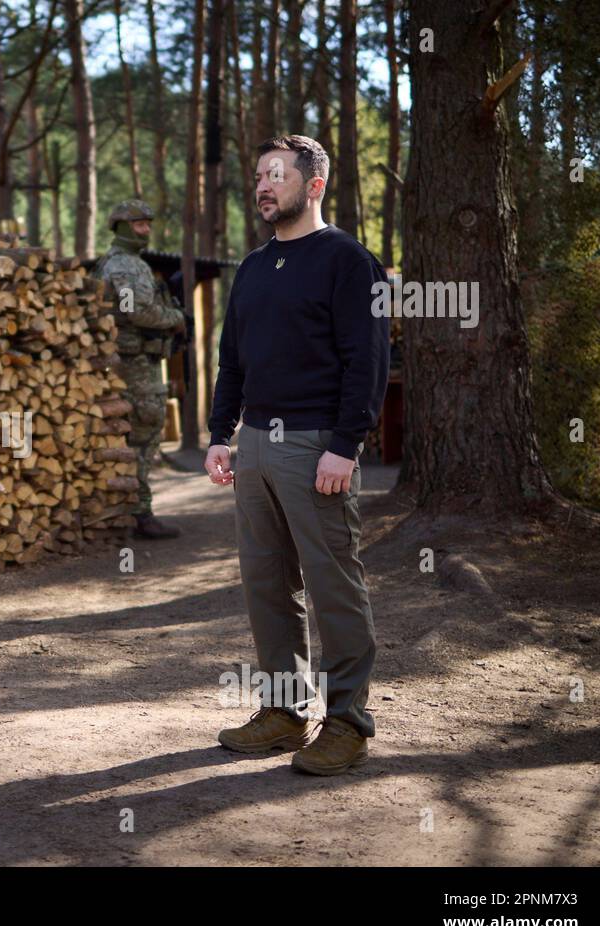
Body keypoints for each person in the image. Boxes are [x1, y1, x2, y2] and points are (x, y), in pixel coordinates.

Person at [205, 135, 390, 775]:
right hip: (254, 445)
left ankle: (347, 724)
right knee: (266, 585)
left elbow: (367, 361)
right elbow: (233, 361)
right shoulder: (254, 269)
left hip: (316, 447)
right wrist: (217, 434)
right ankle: (284, 712)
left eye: (275, 174)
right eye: (257, 174)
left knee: (333, 585)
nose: (262, 185)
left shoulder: (347, 261)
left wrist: (346, 445)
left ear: (312, 185)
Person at [93, 199, 185, 539]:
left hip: (128, 363)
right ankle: (140, 514)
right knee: (144, 436)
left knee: (133, 438)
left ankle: (127, 512)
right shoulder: (126, 266)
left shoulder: (116, 262)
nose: (145, 230)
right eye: (138, 224)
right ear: (120, 226)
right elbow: (139, 313)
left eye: (148, 223)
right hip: (134, 366)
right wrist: (176, 319)